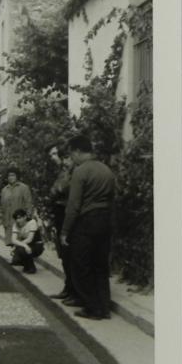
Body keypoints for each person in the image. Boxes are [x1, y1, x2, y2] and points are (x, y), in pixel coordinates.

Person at [60, 134, 115, 320]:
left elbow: (74, 205)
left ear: (77, 151)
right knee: (101, 265)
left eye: (71, 154)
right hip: (106, 219)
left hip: (87, 220)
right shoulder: (106, 169)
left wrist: (65, 231)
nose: (72, 158)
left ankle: (93, 307)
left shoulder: (80, 171)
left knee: (81, 264)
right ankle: (104, 306)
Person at [45, 142, 74, 300]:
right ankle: (68, 287)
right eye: (50, 155)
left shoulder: (70, 170)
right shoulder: (61, 171)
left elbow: (60, 189)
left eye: (54, 154)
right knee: (63, 254)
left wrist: (54, 191)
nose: (53, 158)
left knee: (68, 253)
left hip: (66, 212)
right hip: (59, 213)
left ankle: (72, 289)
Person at [0, 168, 33, 245]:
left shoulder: (24, 188)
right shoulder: (4, 190)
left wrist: (28, 218)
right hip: (8, 222)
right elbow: (1, 206)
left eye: (13, 175)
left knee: (20, 243)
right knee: (11, 243)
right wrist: (0, 218)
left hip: (20, 222)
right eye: (9, 176)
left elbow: (28, 204)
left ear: (17, 176)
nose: (11, 177)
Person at [9, 208, 45, 274]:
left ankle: (32, 267)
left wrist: (16, 246)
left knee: (21, 250)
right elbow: (13, 240)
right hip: (27, 245)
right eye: (16, 218)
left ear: (25, 217)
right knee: (15, 261)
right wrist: (24, 245)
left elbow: (30, 239)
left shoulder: (32, 222)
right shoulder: (15, 225)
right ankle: (26, 265)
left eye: (19, 218)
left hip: (37, 245)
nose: (17, 220)